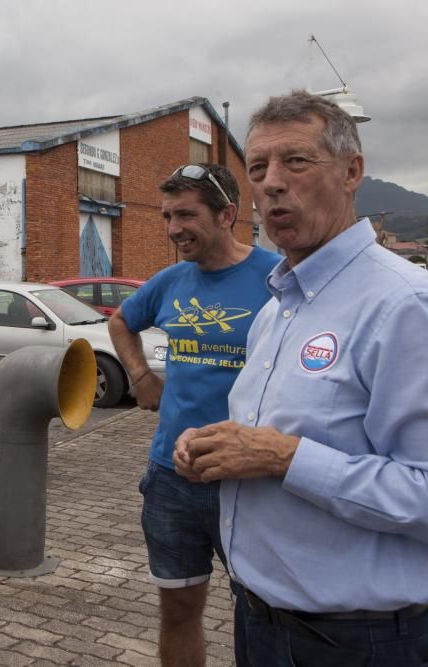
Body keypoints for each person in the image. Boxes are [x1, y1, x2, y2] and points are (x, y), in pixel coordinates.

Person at [174, 90, 428, 665]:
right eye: (258, 168)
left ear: (351, 172)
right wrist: (215, 446)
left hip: (359, 642)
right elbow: (266, 435)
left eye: (296, 162)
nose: (272, 183)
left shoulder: (404, 305)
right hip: (260, 620)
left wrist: (285, 457)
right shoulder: (277, 308)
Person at [108, 163, 280, 666]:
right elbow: (122, 322)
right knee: (179, 610)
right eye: (166, 216)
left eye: (186, 214)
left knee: (261, 612)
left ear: (227, 214)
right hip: (172, 476)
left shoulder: (274, 279)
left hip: (250, 478)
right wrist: (141, 377)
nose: (173, 229)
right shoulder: (170, 282)